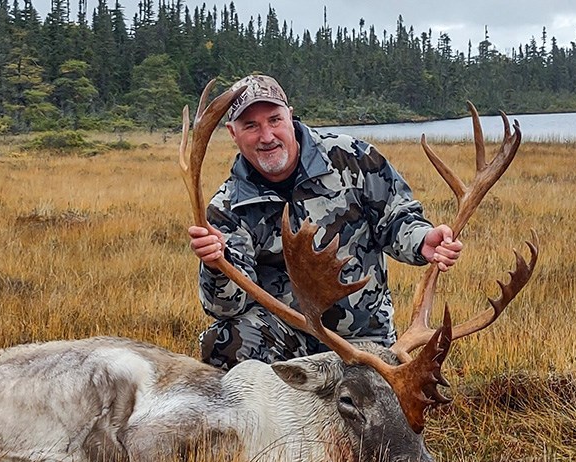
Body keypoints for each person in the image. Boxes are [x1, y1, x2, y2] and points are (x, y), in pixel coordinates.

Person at [188, 74, 463, 370]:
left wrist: (422, 240)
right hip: (286, 337)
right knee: (224, 342)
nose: (266, 136)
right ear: (233, 132)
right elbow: (225, 307)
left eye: (274, 120)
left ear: (290, 116)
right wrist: (215, 263)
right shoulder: (226, 208)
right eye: (251, 126)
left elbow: (397, 218)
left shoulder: (353, 158)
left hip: (362, 337)